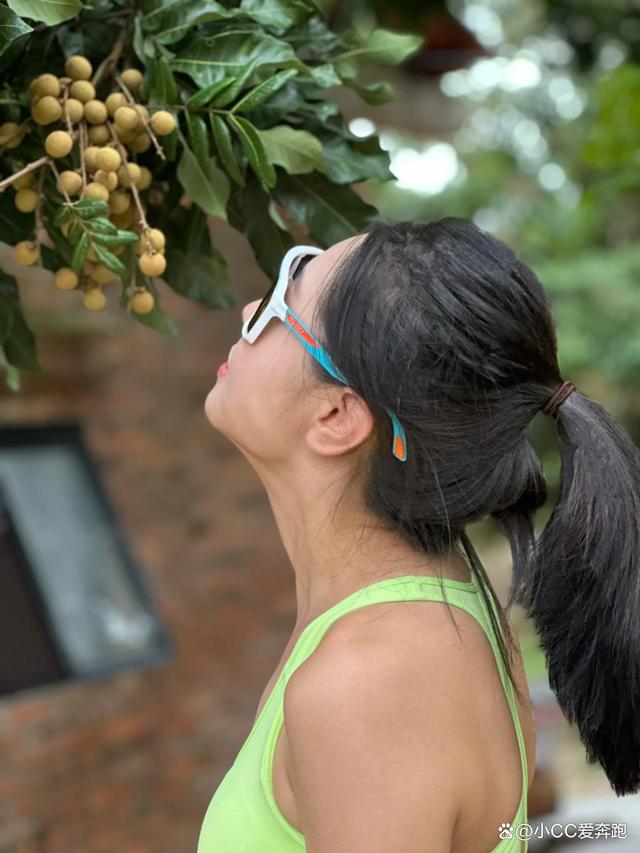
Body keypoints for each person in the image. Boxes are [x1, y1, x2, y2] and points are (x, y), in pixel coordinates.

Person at [200, 218, 640, 852]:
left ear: (336, 415)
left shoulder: (370, 680)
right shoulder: (426, 616)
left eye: (280, 300)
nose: (248, 309)